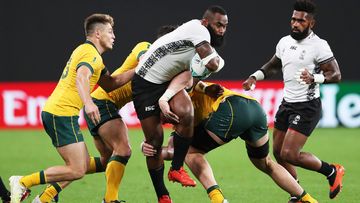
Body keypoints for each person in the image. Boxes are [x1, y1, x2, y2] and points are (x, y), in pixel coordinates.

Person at [9, 13, 135, 203]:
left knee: (86, 164)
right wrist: (89, 103)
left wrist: (138, 70)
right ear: (98, 34)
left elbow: (111, 83)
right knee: (77, 169)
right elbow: (81, 77)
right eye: (110, 31)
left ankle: (45, 197)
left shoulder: (93, 56)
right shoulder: (89, 52)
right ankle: (22, 182)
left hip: (61, 113)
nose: (114, 36)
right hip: (60, 113)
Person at [142, 80, 319, 203]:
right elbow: (173, 152)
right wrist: (153, 149)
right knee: (265, 163)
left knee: (191, 152)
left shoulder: (179, 102)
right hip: (254, 109)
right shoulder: (181, 113)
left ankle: (218, 198)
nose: (161, 121)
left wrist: (153, 149)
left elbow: (176, 151)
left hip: (229, 110)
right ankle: (307, 198)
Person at [242, 0, 344, 201]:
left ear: (311, 24)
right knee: (278, 153)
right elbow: (273, 65)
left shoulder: (319, 45)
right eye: (293, 19)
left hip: (307, 106)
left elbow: (336, 75)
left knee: (289, 154)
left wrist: (315, 78)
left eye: (301, 21)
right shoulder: (284, 42)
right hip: (287, 103)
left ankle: (331, 171)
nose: (295, 24)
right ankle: (295, 192)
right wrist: (255, 76)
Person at [131, 5, 228, 203]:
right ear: (206, 22)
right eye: (218, 25)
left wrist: (201, 88)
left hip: (165, 83)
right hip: (144, 85)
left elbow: (186, 77)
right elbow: (212, 64)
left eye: (225, 26)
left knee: (187, 112)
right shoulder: (199, 31)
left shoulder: (192, 46)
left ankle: (176, 169)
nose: (222, 30)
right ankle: (163, 196)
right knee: (154, 143)